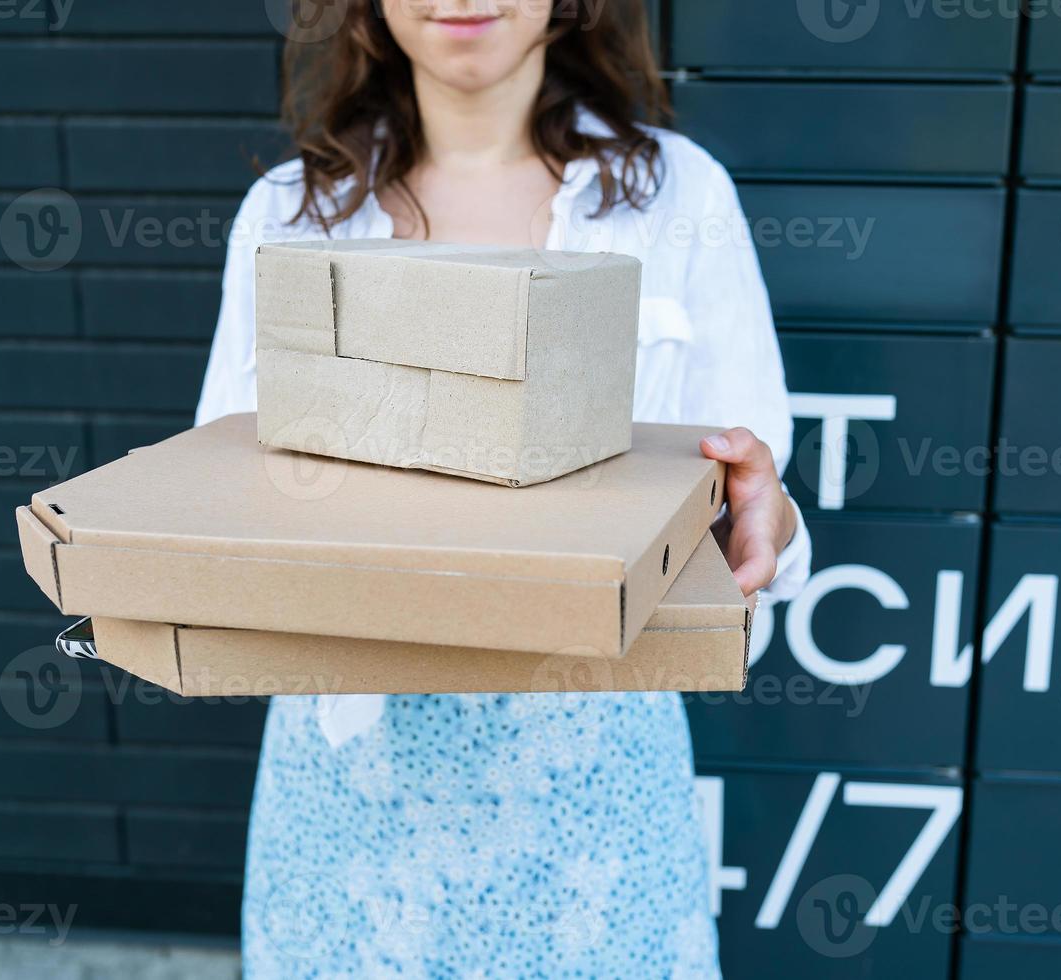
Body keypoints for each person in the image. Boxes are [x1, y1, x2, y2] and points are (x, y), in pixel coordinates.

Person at [195, 1, 812, 974]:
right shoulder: (288, 208)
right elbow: (219, 489)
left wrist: (764, 521)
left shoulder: (678, 195)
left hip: (591, 766)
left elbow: (753, 500)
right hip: (352, 772)